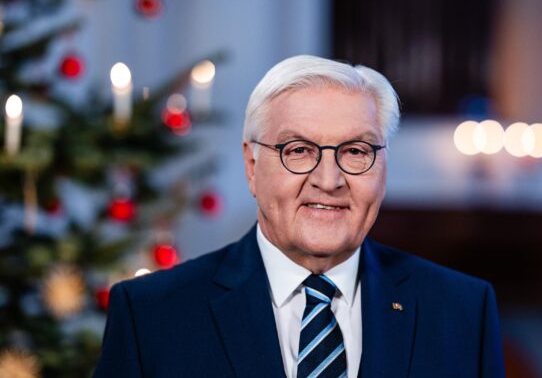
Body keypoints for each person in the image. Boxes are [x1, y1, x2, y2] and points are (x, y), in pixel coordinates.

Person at [93, 55, 505, 378]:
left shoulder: (462, 310)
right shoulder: (152, 315)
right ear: (252, 166)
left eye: (357, 151)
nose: (329, 180)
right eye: (299, 151)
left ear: (383, 167)